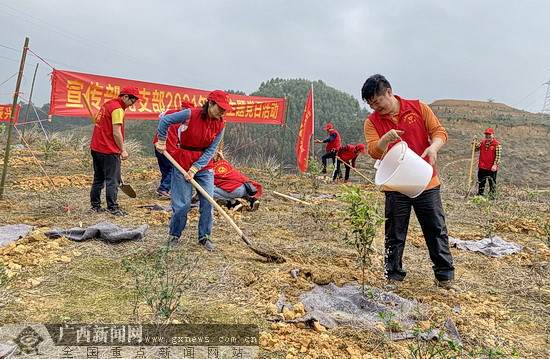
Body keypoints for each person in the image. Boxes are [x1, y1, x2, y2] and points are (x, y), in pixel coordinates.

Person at [362, 74, 458, 292]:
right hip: (396, 184)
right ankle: (393, 277)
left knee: (435, 229)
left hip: (426, 181)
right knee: (394, 233)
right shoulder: (372, 122)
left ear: (389, 92)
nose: (376, 108)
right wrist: (385, 139)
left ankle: (445, 277)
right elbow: (373, 151)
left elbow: (439, 132)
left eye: (378, 102)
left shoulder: (418, 107)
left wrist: (433, 148)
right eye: (371, 105)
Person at [155, 90, 233, 251]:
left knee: (208, 201)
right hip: (182, 160)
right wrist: (162, 140)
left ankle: (205, 237)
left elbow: (211, 150)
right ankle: (174, 235)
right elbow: (165, 121)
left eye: (225, 109)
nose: (222, 112)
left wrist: (195, 168)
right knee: (182, 204)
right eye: (220, 108)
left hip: (204, 165)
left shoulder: (220, 125)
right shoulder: (190, 114)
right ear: (210, 103)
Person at [89, 85, 143, 216]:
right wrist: (123, 150)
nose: (132, 104)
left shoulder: (108, 104)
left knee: (98, 178)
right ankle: (112, 208)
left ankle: (95, 206)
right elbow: (116, 133)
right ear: (125, 97)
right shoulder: (118, 109)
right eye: (132, 101)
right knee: (112, 180)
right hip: (108, 149)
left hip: (96, 147)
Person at [153, 100, 196, 199]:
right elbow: (182, 136)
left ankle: (165, 188)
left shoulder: (168, 112)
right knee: (173, 168)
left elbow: (161, 117)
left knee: (165, 168)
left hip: (158, 143)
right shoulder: (184, 120)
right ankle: (164, 188)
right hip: (169, 147)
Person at [475, 128, 501, 197]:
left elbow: (498, 156)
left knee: (492, 182)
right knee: (481, 181)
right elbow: (475, 149)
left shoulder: (497, 144)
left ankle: (492, 196)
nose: (487, 136)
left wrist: (495, 165)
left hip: (491, 167)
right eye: (486, 134)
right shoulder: (482, 143)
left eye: (489, 134)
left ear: (493, 135)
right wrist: (474, 142)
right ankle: (480, 195)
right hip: (482, 166)